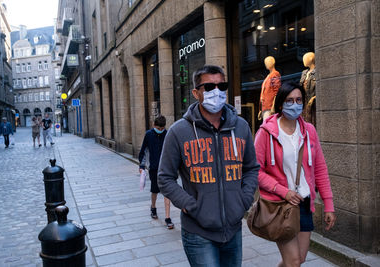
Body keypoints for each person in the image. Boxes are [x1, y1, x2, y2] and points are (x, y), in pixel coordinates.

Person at [158, 65, 260, 266]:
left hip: (233, 229)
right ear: (196, 93)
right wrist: (189, 205)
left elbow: (251, 167)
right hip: (198, 232)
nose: (217, 92)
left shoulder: (240, 127)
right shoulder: (179, 131)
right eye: (209, 87)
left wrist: (244, 200)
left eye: (222, 86)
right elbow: (164, 177)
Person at [254, 82, 336, 267]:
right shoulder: (265, 133)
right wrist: (283, 191)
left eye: (299, 100)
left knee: (299, 259)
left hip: (304, 203)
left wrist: (328, 205)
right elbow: (255, 171)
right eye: (289, 100)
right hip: (280, 205)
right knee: (293, 262)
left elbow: (320, 169)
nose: (295, 104)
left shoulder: (309, 131)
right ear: (281, 104)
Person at [139, 115, 174, 229]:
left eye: (162, 128)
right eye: (158, 128)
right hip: (154, 168)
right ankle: (153, 207)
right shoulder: (149, 135)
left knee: (166, 192)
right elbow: (144, 150)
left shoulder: (167, 134)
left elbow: (172, 151)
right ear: (154, 125)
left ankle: (168, 218)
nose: (160, 130)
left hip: (166, 168)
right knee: (154, 190)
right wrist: (142, 165)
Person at [260, 56, 281, 121]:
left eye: (267, 62)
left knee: (268, 126)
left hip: (270, 107)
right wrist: (261, 109)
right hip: (265, 107)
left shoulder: (275, 74)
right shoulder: (268, 76)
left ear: (273, 62)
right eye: (265, 62)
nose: (266, 64)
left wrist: (273, 106)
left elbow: (277, 91)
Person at [300, 52, 316, 126]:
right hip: (304, 102)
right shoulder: (304, 73)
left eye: (304, 58)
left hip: (312, 104)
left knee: (312, 122)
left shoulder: (317, 72)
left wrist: (313, 98)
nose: (303, 60)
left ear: (310, 59)